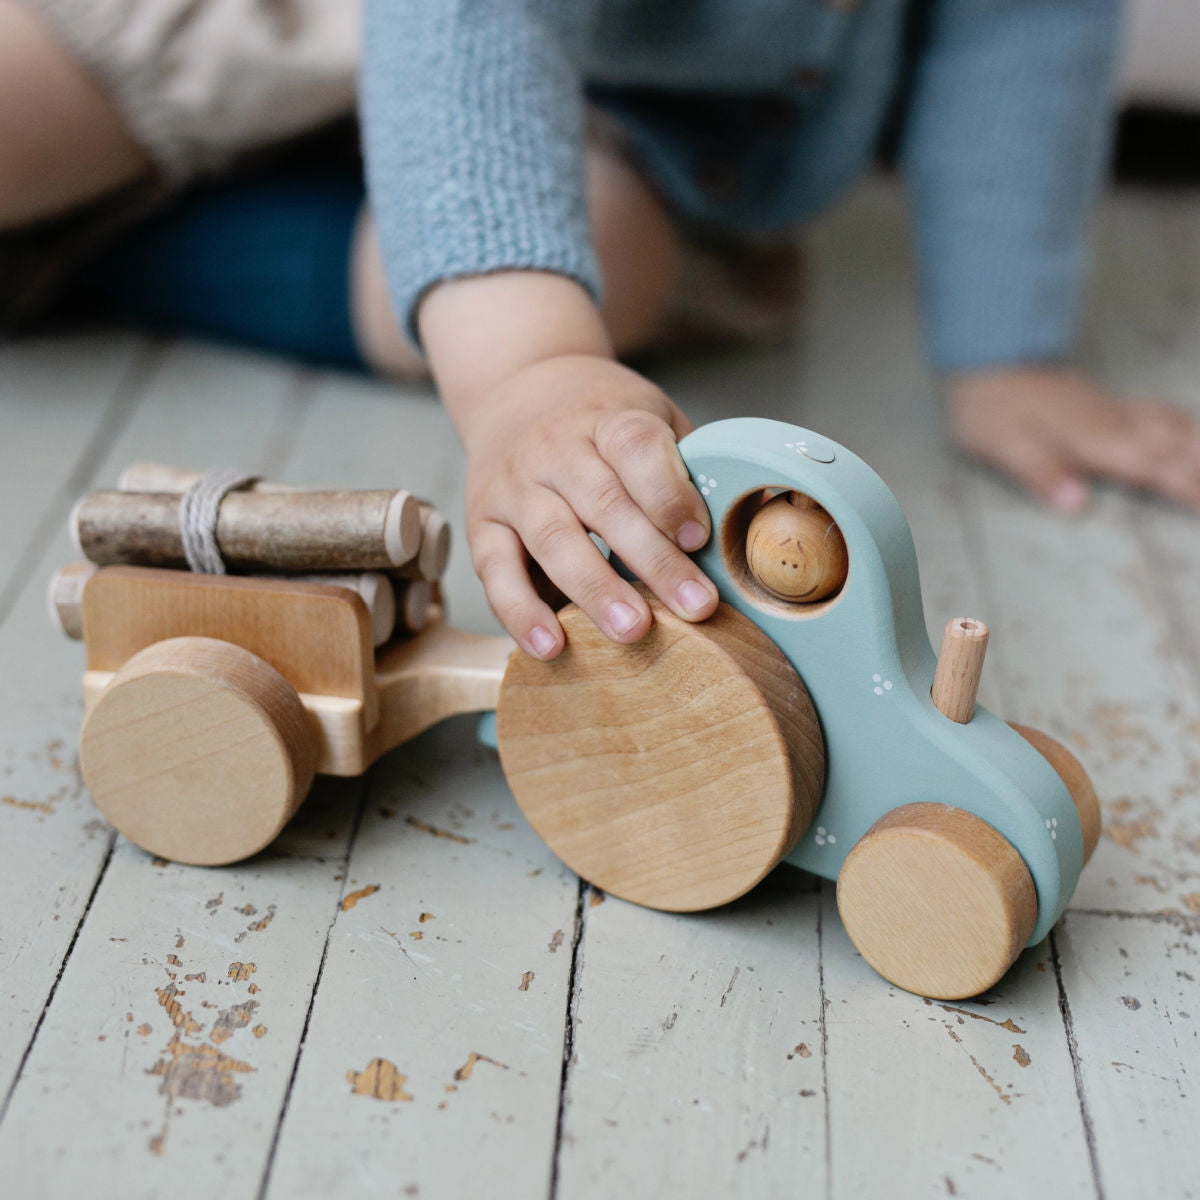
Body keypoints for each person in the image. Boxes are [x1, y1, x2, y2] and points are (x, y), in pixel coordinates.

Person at [4, 0, 1200, 664]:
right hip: (346, 20)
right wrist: (526, 367)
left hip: (640, 130)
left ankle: (106, 253)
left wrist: (1007, 351)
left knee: (607, 256)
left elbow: (1023, 29)